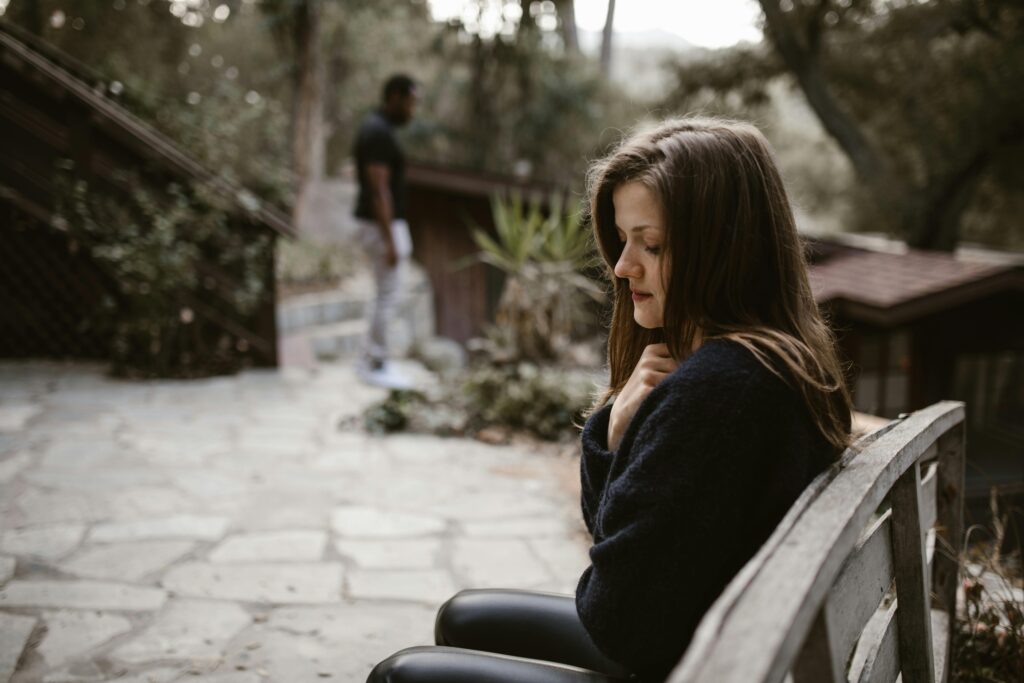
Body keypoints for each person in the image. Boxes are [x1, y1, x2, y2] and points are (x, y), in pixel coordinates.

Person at [365, 117, 853, 682]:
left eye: (652, 244)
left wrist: (619, 440)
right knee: (461, 616)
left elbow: (617, 621)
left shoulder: (721, 389)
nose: (623, 268)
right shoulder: (772, 362)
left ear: (726, 248)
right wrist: (616, 434)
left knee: (399, 676)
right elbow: (631, 560)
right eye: (623, 240)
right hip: (707, 641)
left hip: (692, 662)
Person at [352, 74, 419, 389]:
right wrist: (390, 239)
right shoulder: (377, 132)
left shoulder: (377, 129)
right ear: (395, 96)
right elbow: (379, 191)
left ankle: (370, 358)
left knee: (385, 295)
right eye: (410, 101)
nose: (413, 109)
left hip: (383, 226)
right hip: (383, 227)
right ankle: (376, 363)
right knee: (390, 296)